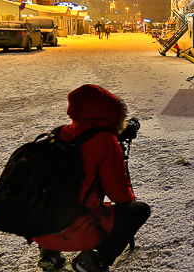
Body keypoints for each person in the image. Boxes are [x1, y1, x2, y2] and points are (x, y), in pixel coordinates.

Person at [33, 84, 150, 272]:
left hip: (40, 229)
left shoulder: (57, 134)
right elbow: (120, 196)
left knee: (56, 195)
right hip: (78, 232)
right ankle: (93, 262)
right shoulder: (104, 140)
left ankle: (49, 254)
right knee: (138, 210)